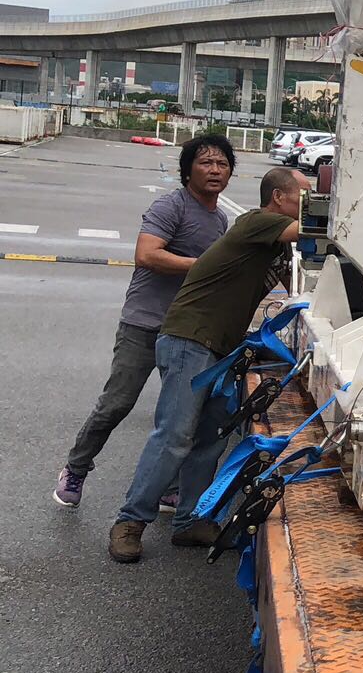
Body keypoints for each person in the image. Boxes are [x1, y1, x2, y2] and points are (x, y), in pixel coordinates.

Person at [108, 166, 308, 564]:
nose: (313, 203)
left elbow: (306, 282)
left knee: (212, 435)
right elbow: (309, 231)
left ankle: (189, 522)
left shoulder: (279, 244)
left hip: (221, 346)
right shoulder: (257, 223)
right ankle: (129, 522)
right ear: (279, 199)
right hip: (191, 337)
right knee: (176, 434)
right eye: (306, 196)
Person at [53, 135, 233, 507]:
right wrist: (205, 266)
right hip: (144, 323)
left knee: (178, 416)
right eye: (206, 163)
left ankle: (167, 487)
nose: (215, 170)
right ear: (187, 171)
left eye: (222, 164)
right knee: (117, 403)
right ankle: (76, 468)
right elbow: (146, 255)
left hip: (186, 331)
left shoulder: (220, 220)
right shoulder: (171, 206)